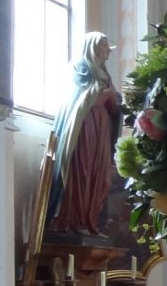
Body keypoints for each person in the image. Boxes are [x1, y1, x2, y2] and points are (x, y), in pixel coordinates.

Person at [45, 33, 121, 234]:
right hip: (85, 124)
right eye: (105, 45)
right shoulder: (81, 67)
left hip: (101, 127)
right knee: (82, 171)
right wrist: (107, 94)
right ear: (93, 46)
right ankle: (73, 220)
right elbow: (84, 98)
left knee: (101, 176)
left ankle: (90, 220)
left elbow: (111, 105)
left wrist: (119, 103)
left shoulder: (106, 75)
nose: (108, 50)